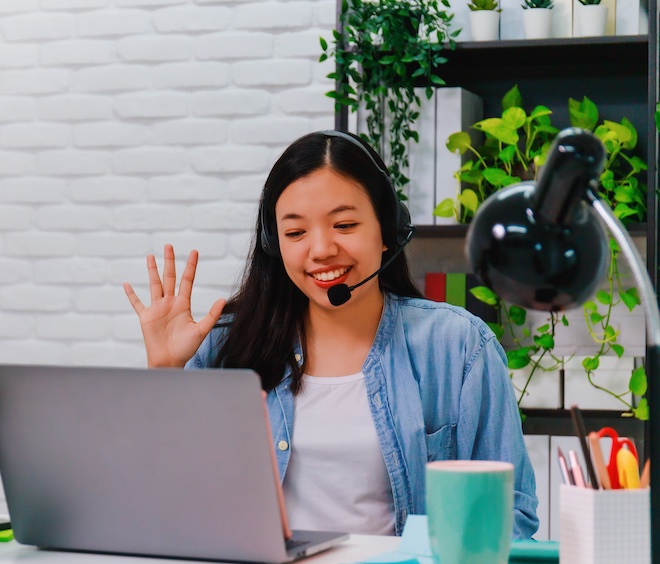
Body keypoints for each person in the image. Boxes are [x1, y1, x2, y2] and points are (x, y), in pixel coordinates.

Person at [123, 130, 539, 539]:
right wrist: (165, 373)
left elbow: (511, 517)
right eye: (296, 232)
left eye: (343, 224)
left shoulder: (456, 347)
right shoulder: (224, 346)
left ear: (387, 230)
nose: (320, 249)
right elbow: (167, 507)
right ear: (275, 244)